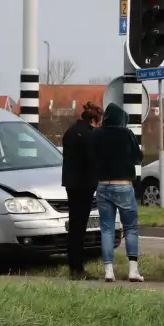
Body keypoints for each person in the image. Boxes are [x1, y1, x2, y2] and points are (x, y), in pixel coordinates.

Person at [89, 103, 144, 282]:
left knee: (106, 228)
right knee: (130, 228)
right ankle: (133, 271)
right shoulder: (126, 133)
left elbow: (91, 156)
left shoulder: (96, 134)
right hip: (123, 185)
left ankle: (108, 271)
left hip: (103, 185)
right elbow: (138, 158)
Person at [61, 101, 103, 280]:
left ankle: (73, 265)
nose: (99, 125)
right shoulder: (90, 135)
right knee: (80, 226)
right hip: (84, 185)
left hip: (71, 184)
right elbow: (93, 160)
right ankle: (78, 268)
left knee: (74, 225)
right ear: (93, 120)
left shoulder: (70, 132)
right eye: (98, 122)